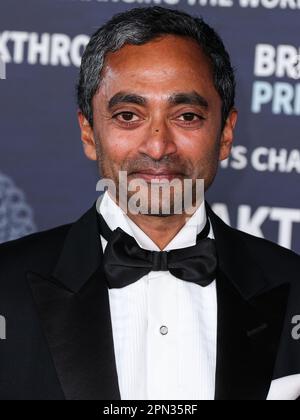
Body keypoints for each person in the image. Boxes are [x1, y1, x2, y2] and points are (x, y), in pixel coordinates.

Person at [0, 6, 299, 401]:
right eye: (128, 115)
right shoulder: (5, 286)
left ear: (225, 134)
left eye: (187, 116)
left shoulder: (294, 288)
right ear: (89, 132)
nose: (158, 146)